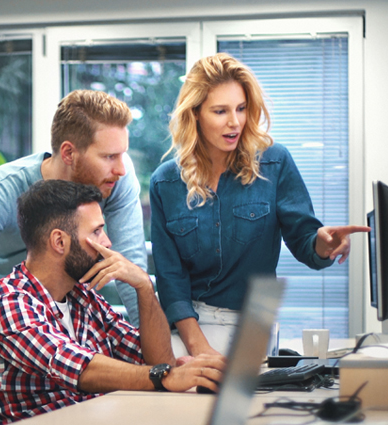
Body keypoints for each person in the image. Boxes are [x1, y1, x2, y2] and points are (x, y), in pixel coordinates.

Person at [150, 53, 369, 357]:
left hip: (254, 322)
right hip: (190, 328)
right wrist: (198, 347)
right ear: (196, 113)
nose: (234, 122)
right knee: (180, 398)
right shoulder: (165, 182)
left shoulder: (275, 162)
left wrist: (323, 244)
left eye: (241, 108)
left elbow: (306, 242)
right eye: (220, 111)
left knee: (244, 401)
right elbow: (170, 277)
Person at [0, 179, 226, 425]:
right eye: (96, 231)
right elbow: (78, 367)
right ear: (59, 242)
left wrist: (144, 287)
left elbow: (157, 362)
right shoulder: (11, 302)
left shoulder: (83, 296)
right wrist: (166, 375)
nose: (107, 242)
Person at [0, 90, 149, 343]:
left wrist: (159, 353)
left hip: (63, 325)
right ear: (68, 153)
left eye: (122, 154)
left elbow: (130, 270)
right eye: (109, 156)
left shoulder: (114, 180)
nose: (121, 168)